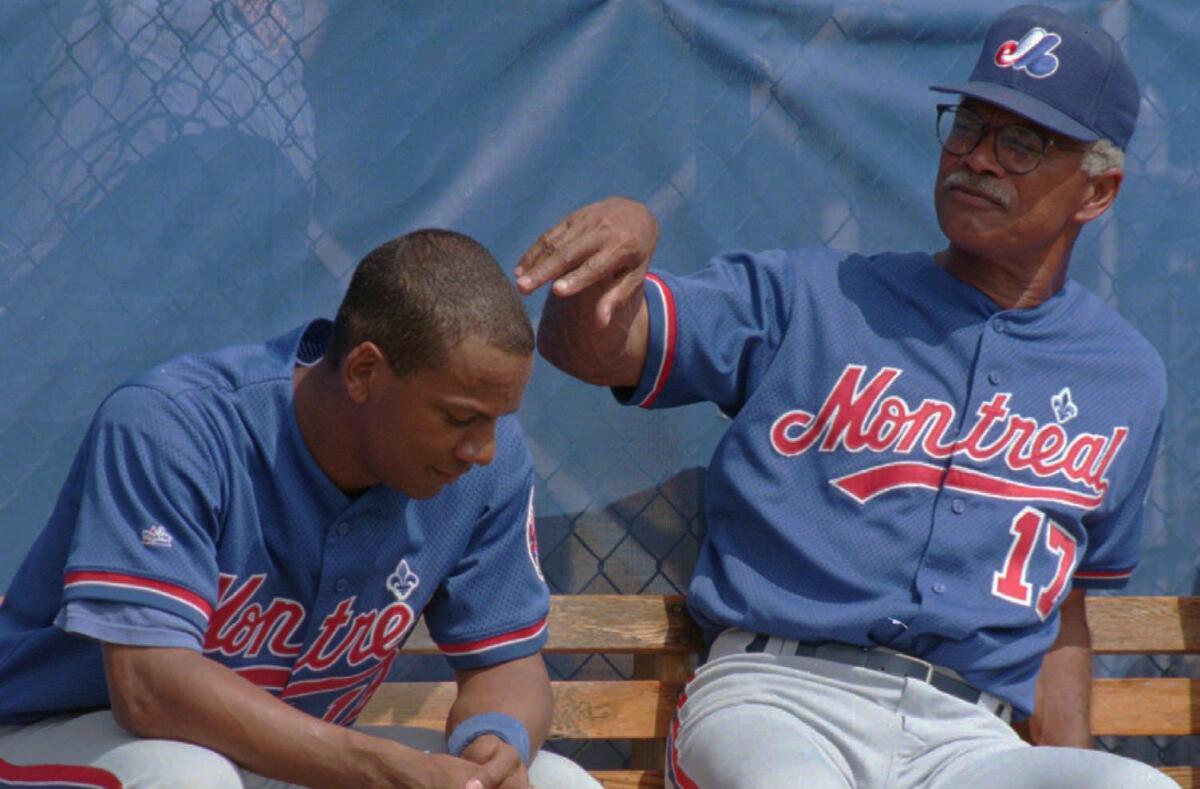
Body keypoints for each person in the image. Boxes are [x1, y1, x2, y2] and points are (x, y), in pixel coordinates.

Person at [515, 5, 1173, 788]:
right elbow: (591, 348)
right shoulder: (811, 296)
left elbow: (1064, 611)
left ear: (1097, 191)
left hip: (967, 739)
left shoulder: (1125, 377)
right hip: (774, 697)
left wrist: (1074, 756)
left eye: (1021, 142)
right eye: (967, 125)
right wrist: (622, 237)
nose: (979, 159)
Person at [0, 229, 600, 789]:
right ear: (364, 371)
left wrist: (492, 742)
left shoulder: (480, 471)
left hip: (295, 757)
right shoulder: (174, 425)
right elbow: (150, 691)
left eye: (495, 420)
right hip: (61, 735)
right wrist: (382, 768)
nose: (482, 449)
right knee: (186, 775)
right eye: (460, 417)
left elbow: (508, 664)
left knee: (556, 782)